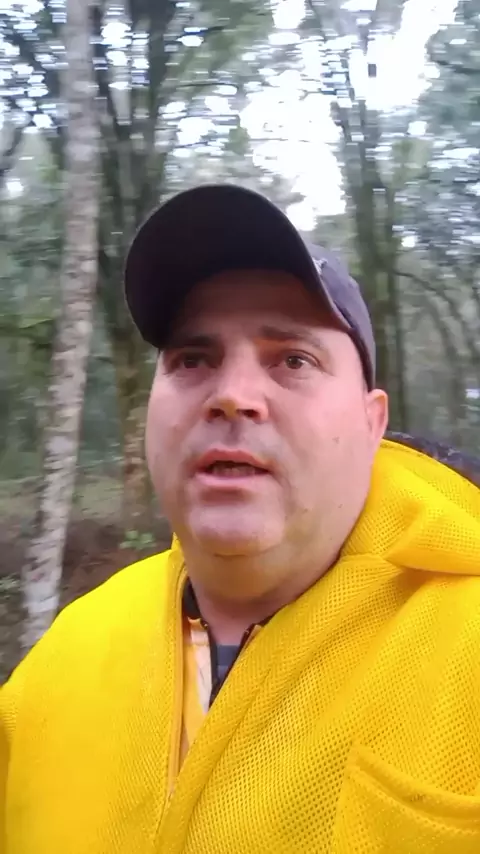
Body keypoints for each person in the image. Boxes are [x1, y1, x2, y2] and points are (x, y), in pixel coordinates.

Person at [1, 184, 480, 854]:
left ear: (372, 422)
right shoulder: (65, 654)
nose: (231, 395)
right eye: (193, 360)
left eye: (293, 359)